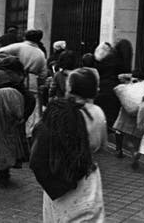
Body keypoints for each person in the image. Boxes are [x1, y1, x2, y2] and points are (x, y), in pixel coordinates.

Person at [30, 67, 107, 222]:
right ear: (94, 90)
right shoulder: (97, 113)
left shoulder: (58, 113)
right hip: (86, 174)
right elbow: (101, 145)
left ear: (70, 88)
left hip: (58, 175)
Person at [0, 29, 48, 139]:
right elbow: (43, 74)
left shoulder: (19, 46)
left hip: (15, 81)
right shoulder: (41, 54)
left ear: (25, 36)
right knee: (30, 112)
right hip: (32, 83)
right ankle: (27, 136)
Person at [112, 39, 143, 165]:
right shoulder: (143, 84)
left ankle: (120, 150)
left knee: (119, 131)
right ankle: (134, 151)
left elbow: (119, 78)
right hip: (137, 110)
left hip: (125, 109)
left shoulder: (127, 81)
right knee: (134, 135)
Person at [93, 42, 121, 154]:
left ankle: (100, 142)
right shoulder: (115, 59)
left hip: (101, 90)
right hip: (112, 90)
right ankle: (115, 146)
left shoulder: (98, 61)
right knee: (112, 118)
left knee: (102, 117)